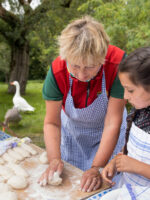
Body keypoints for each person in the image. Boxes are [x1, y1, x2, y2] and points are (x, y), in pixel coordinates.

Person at [38, 16, 127, 192]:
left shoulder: (118, 65)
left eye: (90, 67)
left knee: (106, 188)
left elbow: (112, 123)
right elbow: (52, 122)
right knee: (73, 187)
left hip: (109, 133)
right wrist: (55, 158)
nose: (81, 75)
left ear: (102, 57)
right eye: (75, 66)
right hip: (73, 134)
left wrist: (96, 168)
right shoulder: (57, 70)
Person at [101, 47, 150, 199]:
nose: (125, 96)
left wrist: (137, 167)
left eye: (130, 90)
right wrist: (117, 161)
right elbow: (132, 146)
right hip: (130, 191)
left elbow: (137, 164)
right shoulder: (139, 112)